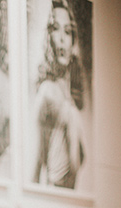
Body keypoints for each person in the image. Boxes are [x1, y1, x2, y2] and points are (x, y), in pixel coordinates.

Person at [32, 0, 85, 189]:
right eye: (56, 29)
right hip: (54, 194)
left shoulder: (71, 99)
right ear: (48, 36)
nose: (62, 38)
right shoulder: (47, 92)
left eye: (68, 31)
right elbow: (35, 164)